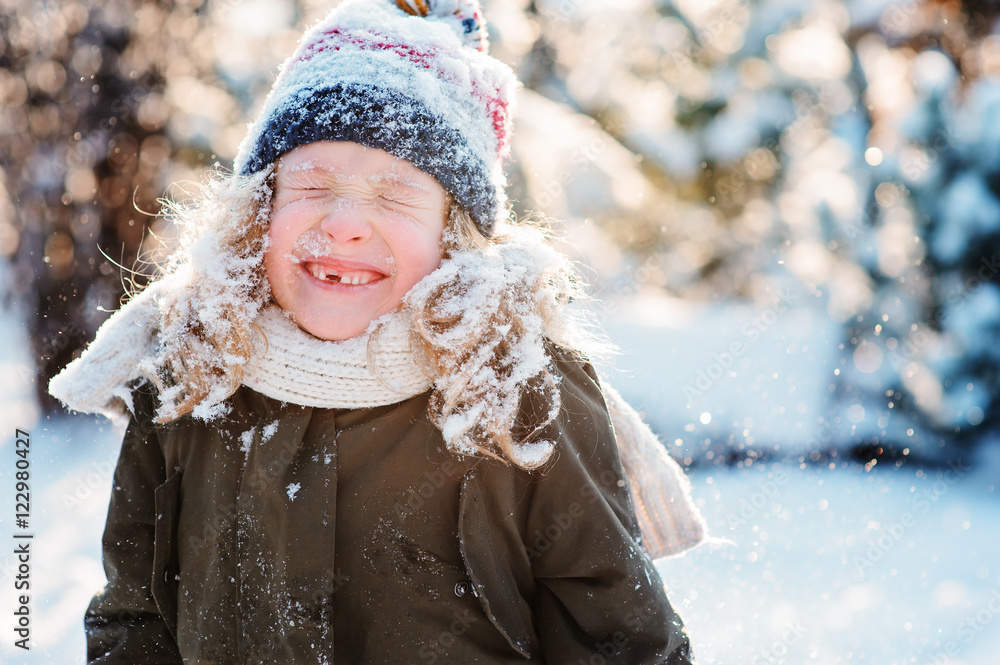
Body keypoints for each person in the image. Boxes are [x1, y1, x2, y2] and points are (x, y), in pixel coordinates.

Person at [49, 0, 707, 662]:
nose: (344, 223)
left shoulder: (514, 388)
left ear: (454, 236)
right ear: (259, 209)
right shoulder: (187, 372)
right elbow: (134, 617)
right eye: (310, 184)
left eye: (394, 195)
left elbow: (619, 639)